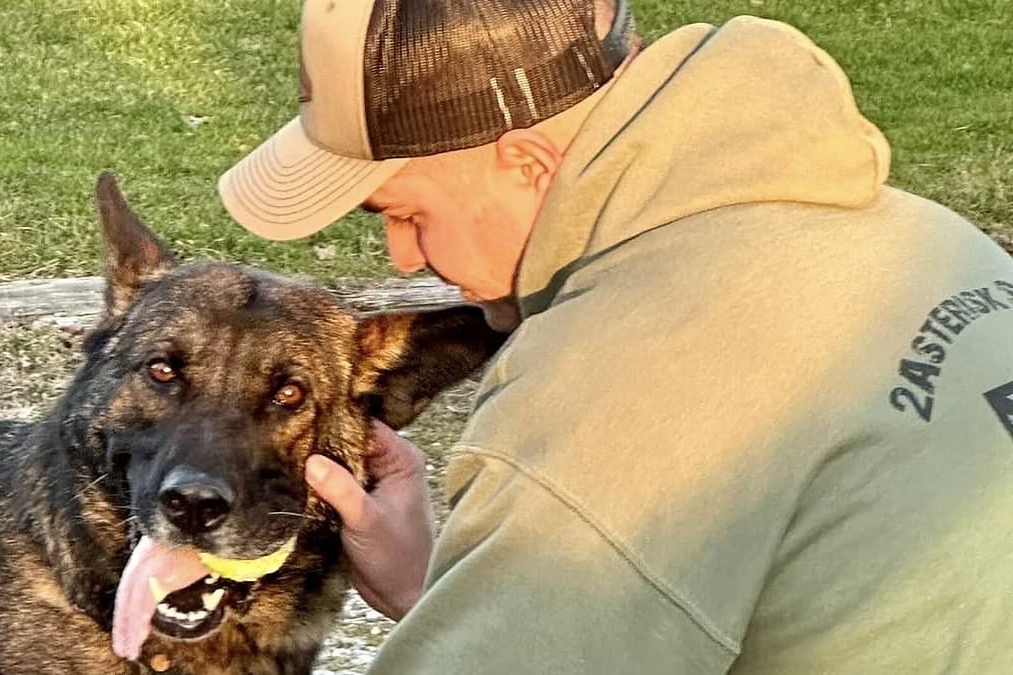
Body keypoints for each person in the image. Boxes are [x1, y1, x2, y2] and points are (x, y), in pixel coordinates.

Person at [217, 0, 1013, 671]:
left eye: (406, 212)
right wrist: (446, 588)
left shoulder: (608, 383)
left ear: (529, 163)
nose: (403, 255)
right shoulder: (930, 241)